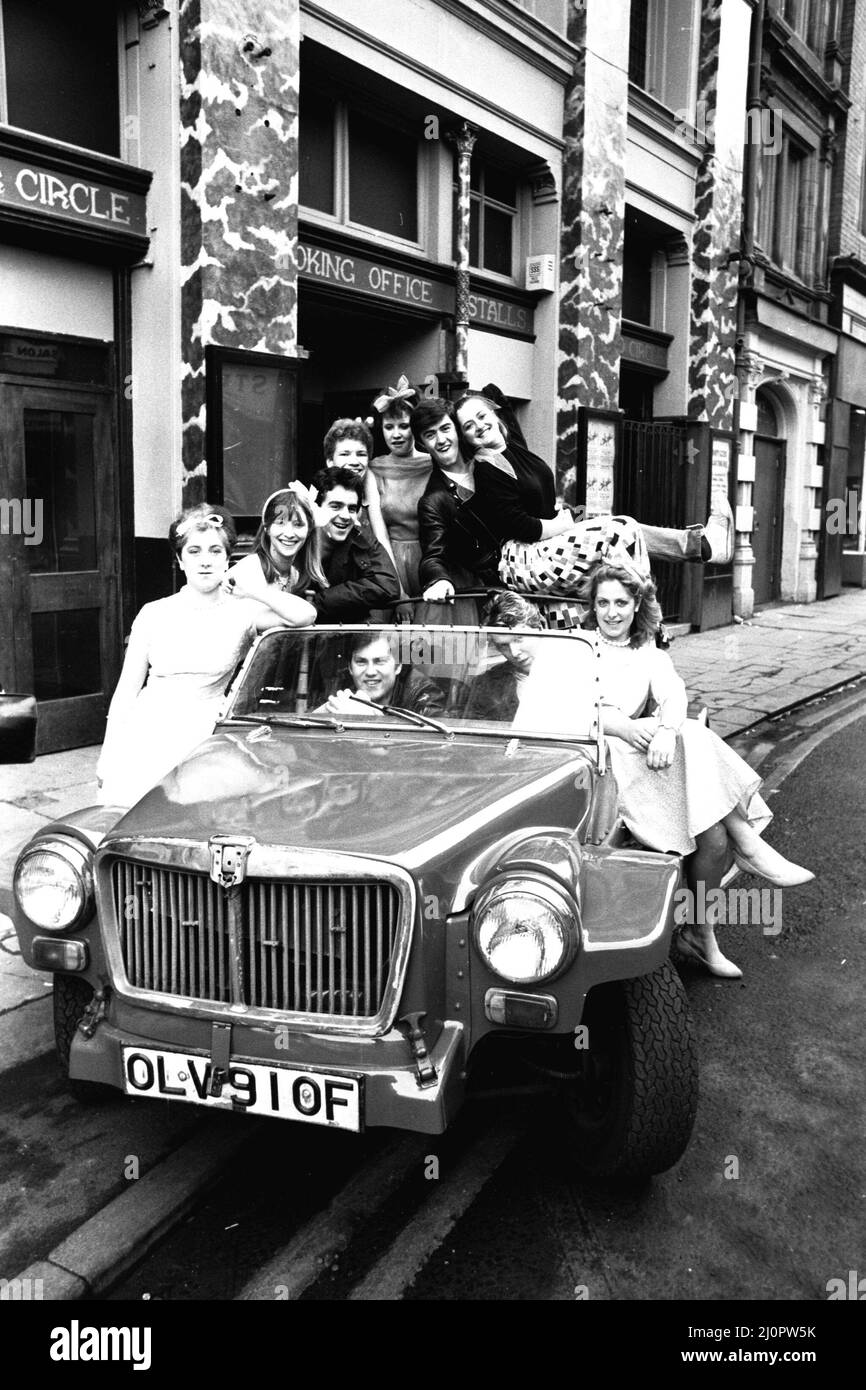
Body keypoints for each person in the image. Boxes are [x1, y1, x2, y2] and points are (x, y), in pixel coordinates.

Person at [580, 560, 813, 979]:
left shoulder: (645, 650)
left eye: (620, 602)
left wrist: (666, 731)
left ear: (637, 606)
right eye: (602, 603)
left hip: (643, 759)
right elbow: (568, 707)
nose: (611, 612)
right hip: (597, 765)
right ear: (592, 606)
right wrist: (626, 726)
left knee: (714, 835)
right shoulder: (579, 645)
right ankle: (750, 845)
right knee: (692, 736)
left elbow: (674, 694)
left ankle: (701, 935)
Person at [97, 504, 316, 807]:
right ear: (179, 560)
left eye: (215, 551)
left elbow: (305, 615)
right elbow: (126, 692)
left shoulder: (243, 612)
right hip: (148, 729)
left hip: (204, 734)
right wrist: (108, 757)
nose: (205, 562)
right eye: (194, 551)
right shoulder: (154, 613)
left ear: (228, 559)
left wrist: (253, 590)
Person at [412, 395, 734, 601]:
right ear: (424, 444)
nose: (441, 439)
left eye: (445, 429)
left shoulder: (504, 456)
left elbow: (544, 507)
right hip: (515, 561)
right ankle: (651, 609)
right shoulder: (444, 493)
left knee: (619, 524)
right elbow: (435, 552)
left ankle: (700, 545)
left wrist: (577, 516)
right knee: (618, 530)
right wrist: (436, 581)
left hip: (543, 540)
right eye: (430, 435)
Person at [308, 467, 401, 621]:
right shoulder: (296, 538)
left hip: (347, 631)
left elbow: (387, 586)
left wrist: (320, 602)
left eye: (351, 508)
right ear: (315, 508)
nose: (345, 516)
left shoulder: (361, 539)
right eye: (335, 506)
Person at [367, 375, 432, 595]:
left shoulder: (432, 465)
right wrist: (399, 588)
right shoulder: (375, 470)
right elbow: (379, 534)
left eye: (404, 426)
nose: (396, 434)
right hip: (391, 564)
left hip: (429, 561)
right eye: (389, 426)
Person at [224, 482, 327, 615]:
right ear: (267, 527)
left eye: (298, 525)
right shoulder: (250, 569)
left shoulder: (294, 574)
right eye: (280, 523)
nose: (289, 533)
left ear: (309, 531)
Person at [315, 632, 445, 718]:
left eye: (380, 662)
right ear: (350, 668)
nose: (370, 672)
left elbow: (435, 753)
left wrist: (368, 722)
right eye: (361, 662)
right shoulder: (339, 685)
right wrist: (326, 710)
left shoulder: (423, 693)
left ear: (398, 666)